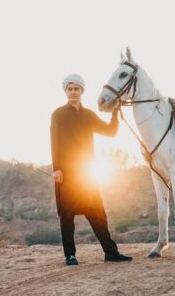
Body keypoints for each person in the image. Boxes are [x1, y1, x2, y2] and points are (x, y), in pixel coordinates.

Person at [50, 73, 133, 265]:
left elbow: (110, 132)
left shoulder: (89, 115)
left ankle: (111, 252)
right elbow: (55, 142)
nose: (73, 92)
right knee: (67, 215)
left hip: (87, 172)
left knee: (97, 212)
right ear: (65, 91)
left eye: (76, 89)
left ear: (82, 91)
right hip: (67, 173)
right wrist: (57, 168)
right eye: (69, 89)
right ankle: (70, 255)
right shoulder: (58, 114)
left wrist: (114, 113)